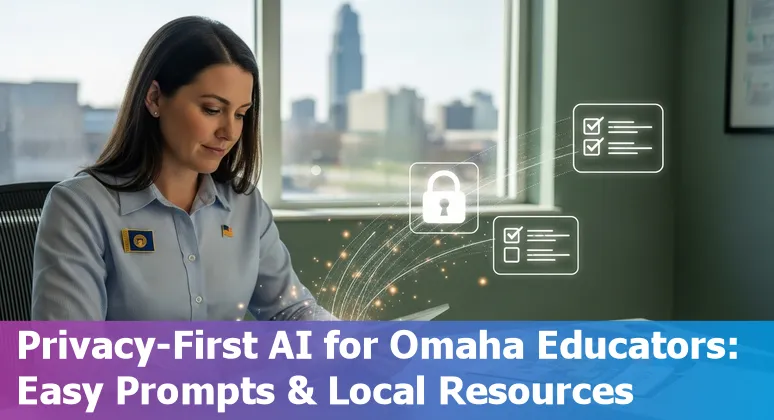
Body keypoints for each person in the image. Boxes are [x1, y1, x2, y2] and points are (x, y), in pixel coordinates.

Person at [30, 16, 336, 321]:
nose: (229, 131)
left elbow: (292, 310)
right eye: (212, 110)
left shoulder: (245, 204)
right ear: (154, 98)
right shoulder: (80, 207)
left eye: (241, 114)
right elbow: (67, 355)